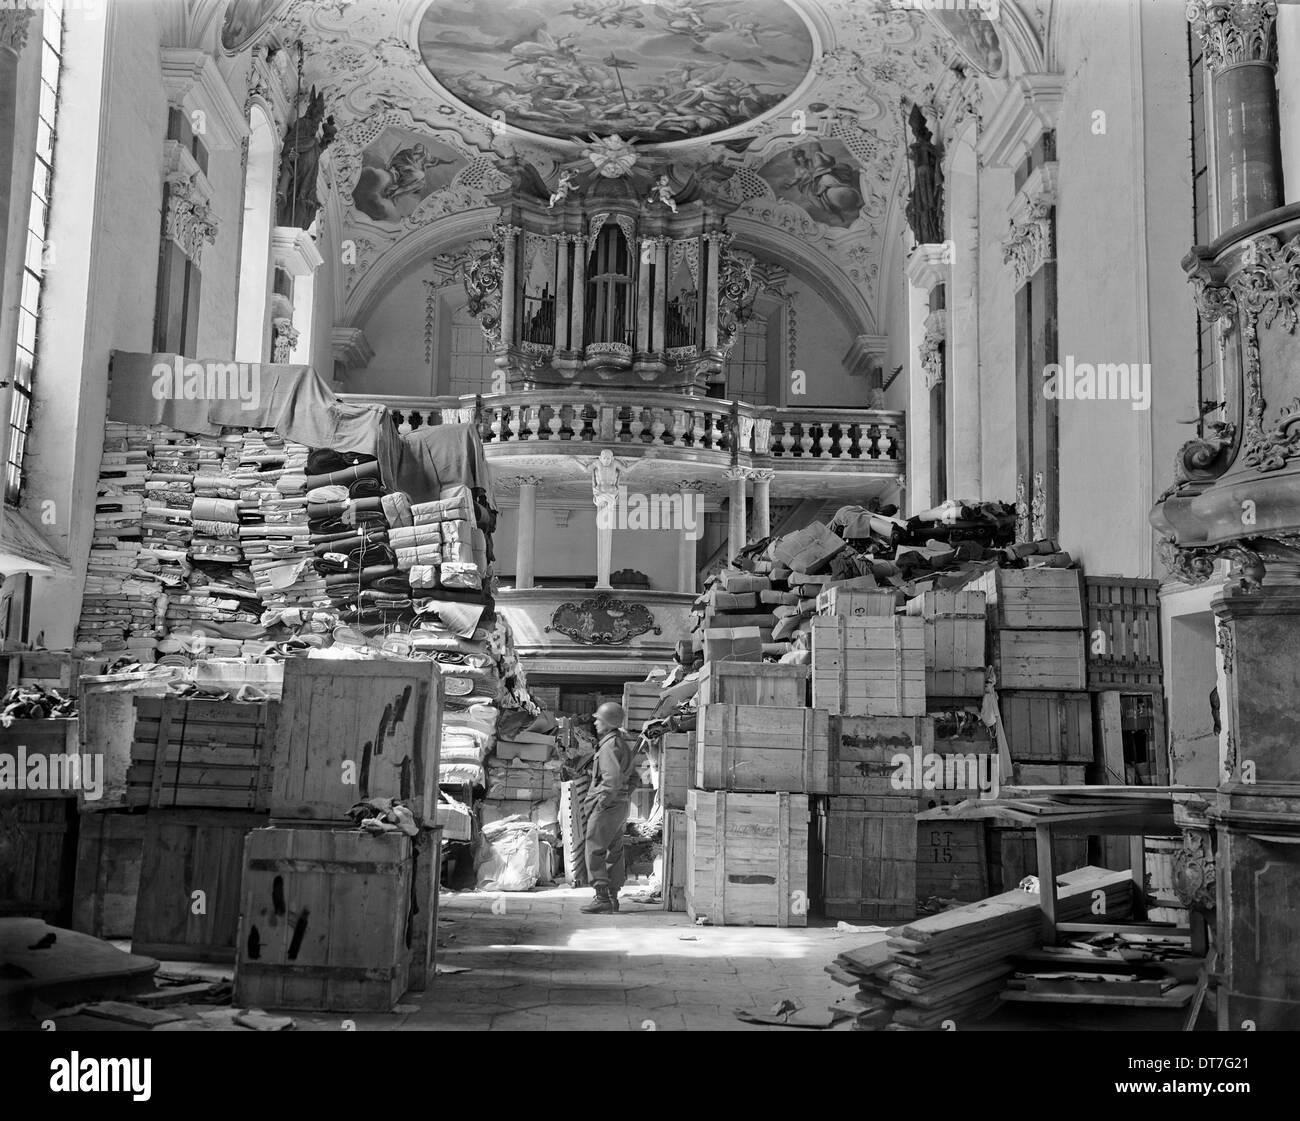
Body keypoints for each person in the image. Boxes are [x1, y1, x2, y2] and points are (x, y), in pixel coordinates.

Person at [580, 700, 637, 914]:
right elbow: (634, 779)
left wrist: (603, 802)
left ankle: (602, 898)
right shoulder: (621, 744)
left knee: (594, 848)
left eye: (599, 719)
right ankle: (612, 897)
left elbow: (611, 779)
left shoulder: (608, 747)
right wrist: (622, 797)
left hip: (607, 806)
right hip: (619, 806)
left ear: (609, 722)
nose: (595, 722)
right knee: (615, 850)